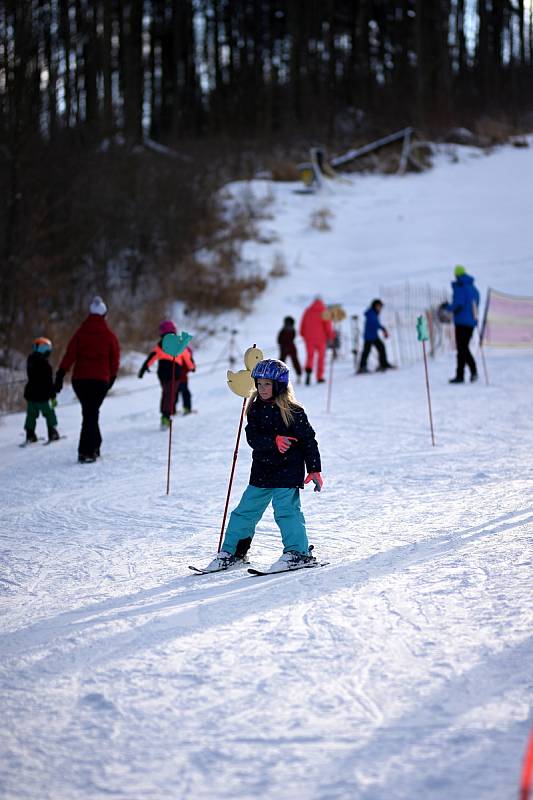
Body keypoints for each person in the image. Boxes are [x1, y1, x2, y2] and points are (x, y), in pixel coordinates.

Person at [205, 359, 323, 573]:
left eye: (267, 384)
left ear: (279, 385)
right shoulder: (255, 409)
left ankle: (299, 553)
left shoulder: (294, 411)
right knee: (244, 512)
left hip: (288, 470)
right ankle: (233, 552)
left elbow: (308, 440)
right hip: (262, 469)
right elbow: (252, 438)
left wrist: (314, 469)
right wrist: (274, 441)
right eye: (259, 384)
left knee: (286, 511)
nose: (262, 388)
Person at [54, 296, 120, 463]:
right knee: (91, 414)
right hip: (100, 381)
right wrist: (112, 377)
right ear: (105, 315)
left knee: (89, 413)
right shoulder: (109, 335)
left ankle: (94, 446)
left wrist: (61, 373)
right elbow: (115, 358)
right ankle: (87, 451)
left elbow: (70, 354)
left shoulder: (80, 333)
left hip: (80, 381)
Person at [138, 320, 184, 426]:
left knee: (166, 393)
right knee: (171, 394)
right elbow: (186, 357)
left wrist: (143, 369)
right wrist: (191, 366)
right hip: (175, 374)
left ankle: (167, 414)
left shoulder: (160, 344)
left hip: (163, 374)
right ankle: (167, 416)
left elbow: (152, 357)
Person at [445, 265, 480, 384]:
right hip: (471, 323)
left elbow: (458, 304)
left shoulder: (460, 287)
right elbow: (476, 304)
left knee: (462, 349)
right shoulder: (474, 289)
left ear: (457, 275)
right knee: (463, 348)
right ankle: (470, 372)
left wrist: (447, 308)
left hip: (461, 323)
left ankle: (462, 374)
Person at [23, 337, 60, 444]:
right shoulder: (46, 365)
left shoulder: (30, 361)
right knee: (49, 414)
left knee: (31, 415)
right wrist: (53, 397)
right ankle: (52, 432)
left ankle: (30, 435)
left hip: (31, 395)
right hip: (43, 396)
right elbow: (49, 383)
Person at [299, 297, 334, 385]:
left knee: (310, 356)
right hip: (321, 339)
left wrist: (303, 334)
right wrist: (330, 336)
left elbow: (302, 323)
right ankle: (319, 377)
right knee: (321, 357)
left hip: (309, 338)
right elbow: (328, 325)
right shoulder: (324, 311)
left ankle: (308, 371)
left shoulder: (307, 311)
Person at [357, 299, 395, 373]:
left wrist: (382, 329)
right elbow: (374, 323)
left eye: (380, 306)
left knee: (381, 348)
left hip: (373, 335)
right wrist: (383, 328)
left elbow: (375, 324)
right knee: (367, 351)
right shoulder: (371, 313)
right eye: (379, 306)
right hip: (369, 336)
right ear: (375, 306)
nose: (380, 308)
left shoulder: (374, 313)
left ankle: (383, 364)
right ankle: (362, 367)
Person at [277, 316, 302, 382]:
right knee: (293, 361)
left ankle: (279, 376)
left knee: (282, 362)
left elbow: (279, 340)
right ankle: (298, 375)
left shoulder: (283, 330)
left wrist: (282, 344)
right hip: (290, 347)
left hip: (285, 348)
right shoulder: (292, 330)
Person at [175, 345, 196, 415]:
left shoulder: (176, 357)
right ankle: (187, 408)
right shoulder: (187, 359)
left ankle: (172, 410)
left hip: (175, 380)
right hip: (182, 380)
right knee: (186, 394)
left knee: (175, 395)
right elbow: (192, 368)